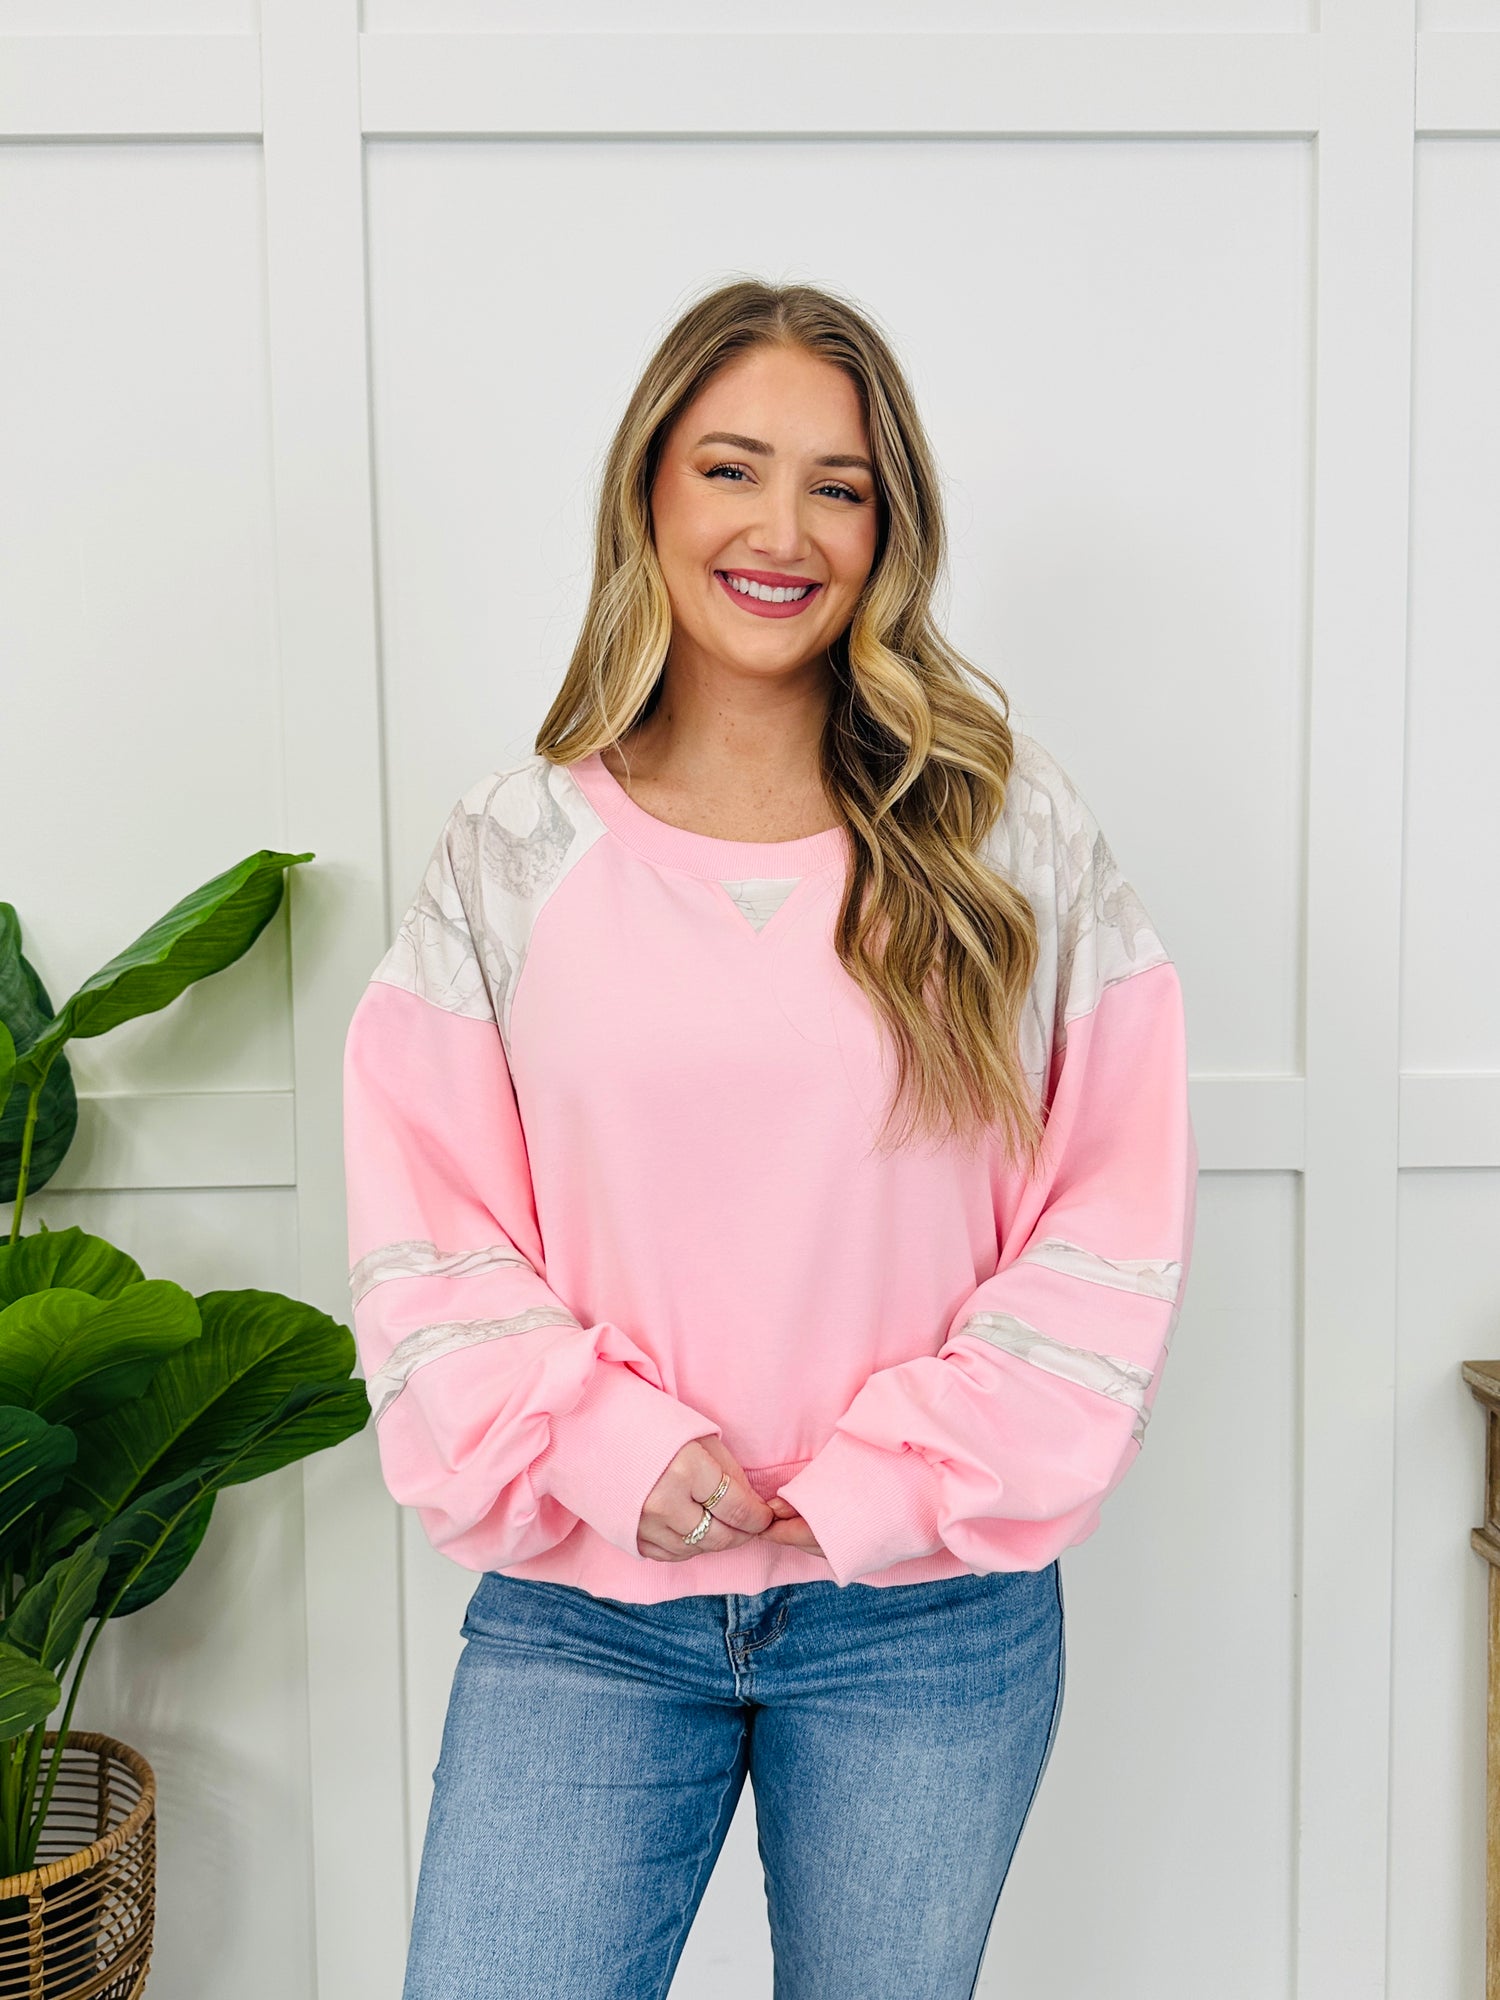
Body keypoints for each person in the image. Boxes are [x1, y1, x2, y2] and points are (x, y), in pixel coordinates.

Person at [341, 276, 1198, 2000]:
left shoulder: (1006, 839)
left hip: (927, 1618)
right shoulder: (513, 849)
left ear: (889, 531)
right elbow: (428, 1230)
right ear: (650, 489)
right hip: (588, 1611)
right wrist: (608, 1442)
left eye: (839, 486)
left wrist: (887, 1479)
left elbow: (1110, 1215)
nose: (782, 531)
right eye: (732, 468)